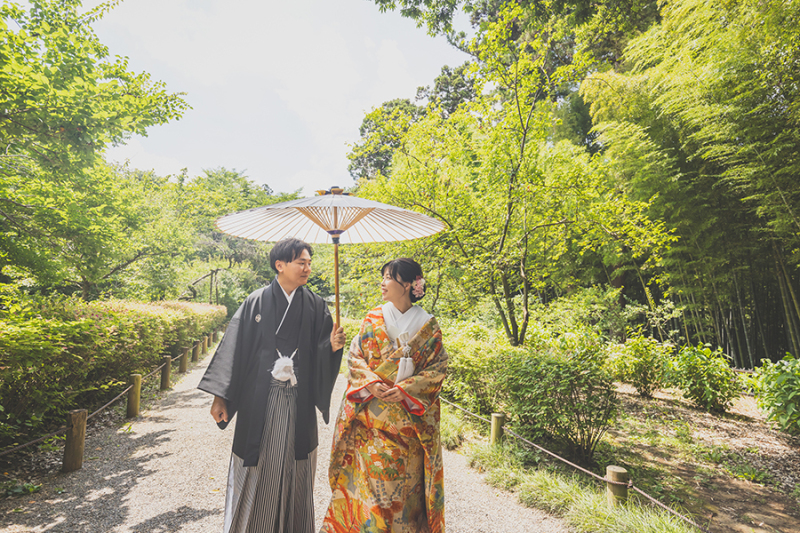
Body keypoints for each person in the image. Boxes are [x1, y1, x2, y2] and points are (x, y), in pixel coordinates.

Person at [198, 238, 346, 533]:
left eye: (309, 263)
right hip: (259, 400)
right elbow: (234, 350)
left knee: (297, 464)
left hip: (299, 399)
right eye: (301, 262)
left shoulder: (316, 305)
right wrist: (220, 397)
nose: (307, 268)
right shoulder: (255, 301)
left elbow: (321, 351)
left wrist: (330, 346)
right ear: (280, 265)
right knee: (257, 463)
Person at [321, 258, 447, 533]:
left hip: (408, 432)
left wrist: (403, 389)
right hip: (371, 428)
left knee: (405, 502)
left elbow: (437, 370)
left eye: (389, 277)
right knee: (369, 501)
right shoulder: (372, 318)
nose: (383, 282)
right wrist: (370, 383)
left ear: (408, 284)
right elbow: (355, 358)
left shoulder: (428, 326)